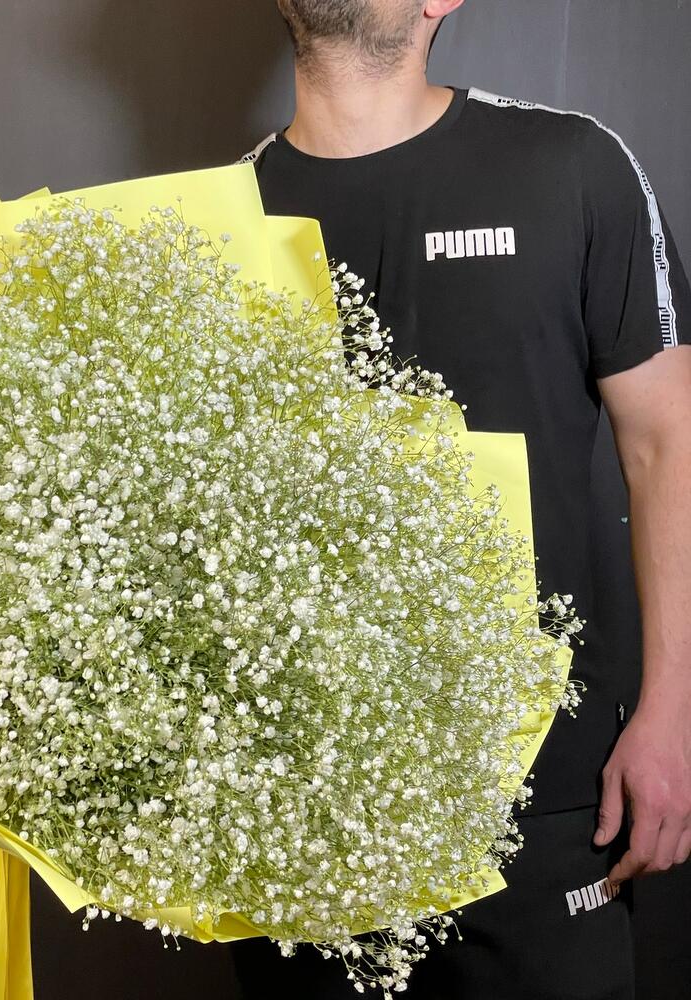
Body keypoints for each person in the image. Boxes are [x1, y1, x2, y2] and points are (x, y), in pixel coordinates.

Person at [225, 2, 691, 998]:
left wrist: (675, 712)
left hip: (549, 801)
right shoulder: (214, 223)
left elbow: (668, 441)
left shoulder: (570, 167)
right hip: (300, 819)